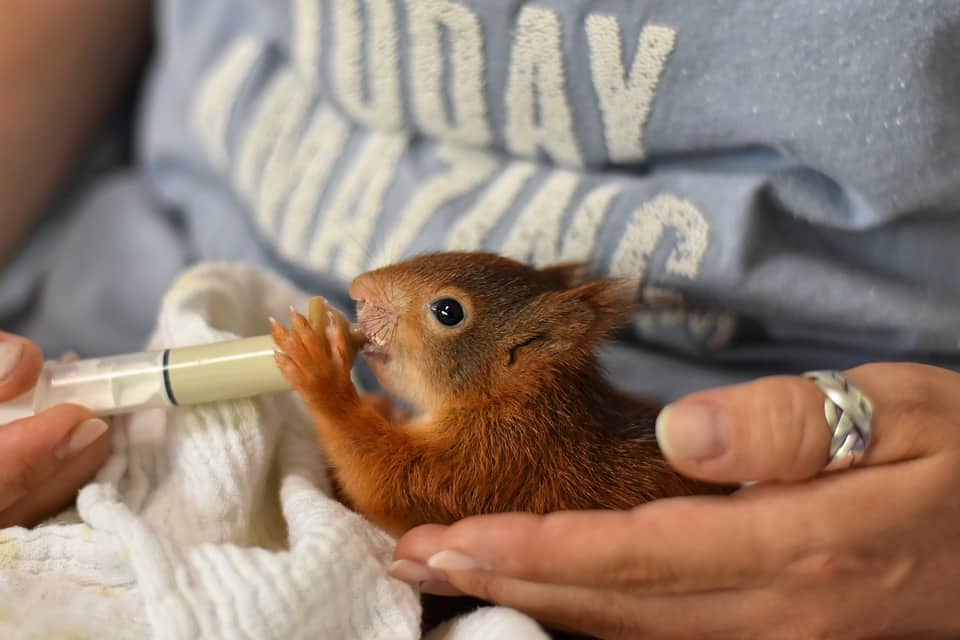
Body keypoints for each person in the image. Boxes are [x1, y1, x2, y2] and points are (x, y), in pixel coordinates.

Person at [3, 1, 960, 636]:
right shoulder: (481, 396)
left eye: (444, 312)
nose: (365, 297)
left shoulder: (511, 427)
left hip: (806, 573)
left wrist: (334, 397)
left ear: (525, 354)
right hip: (91, 308)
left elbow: (398, 493)